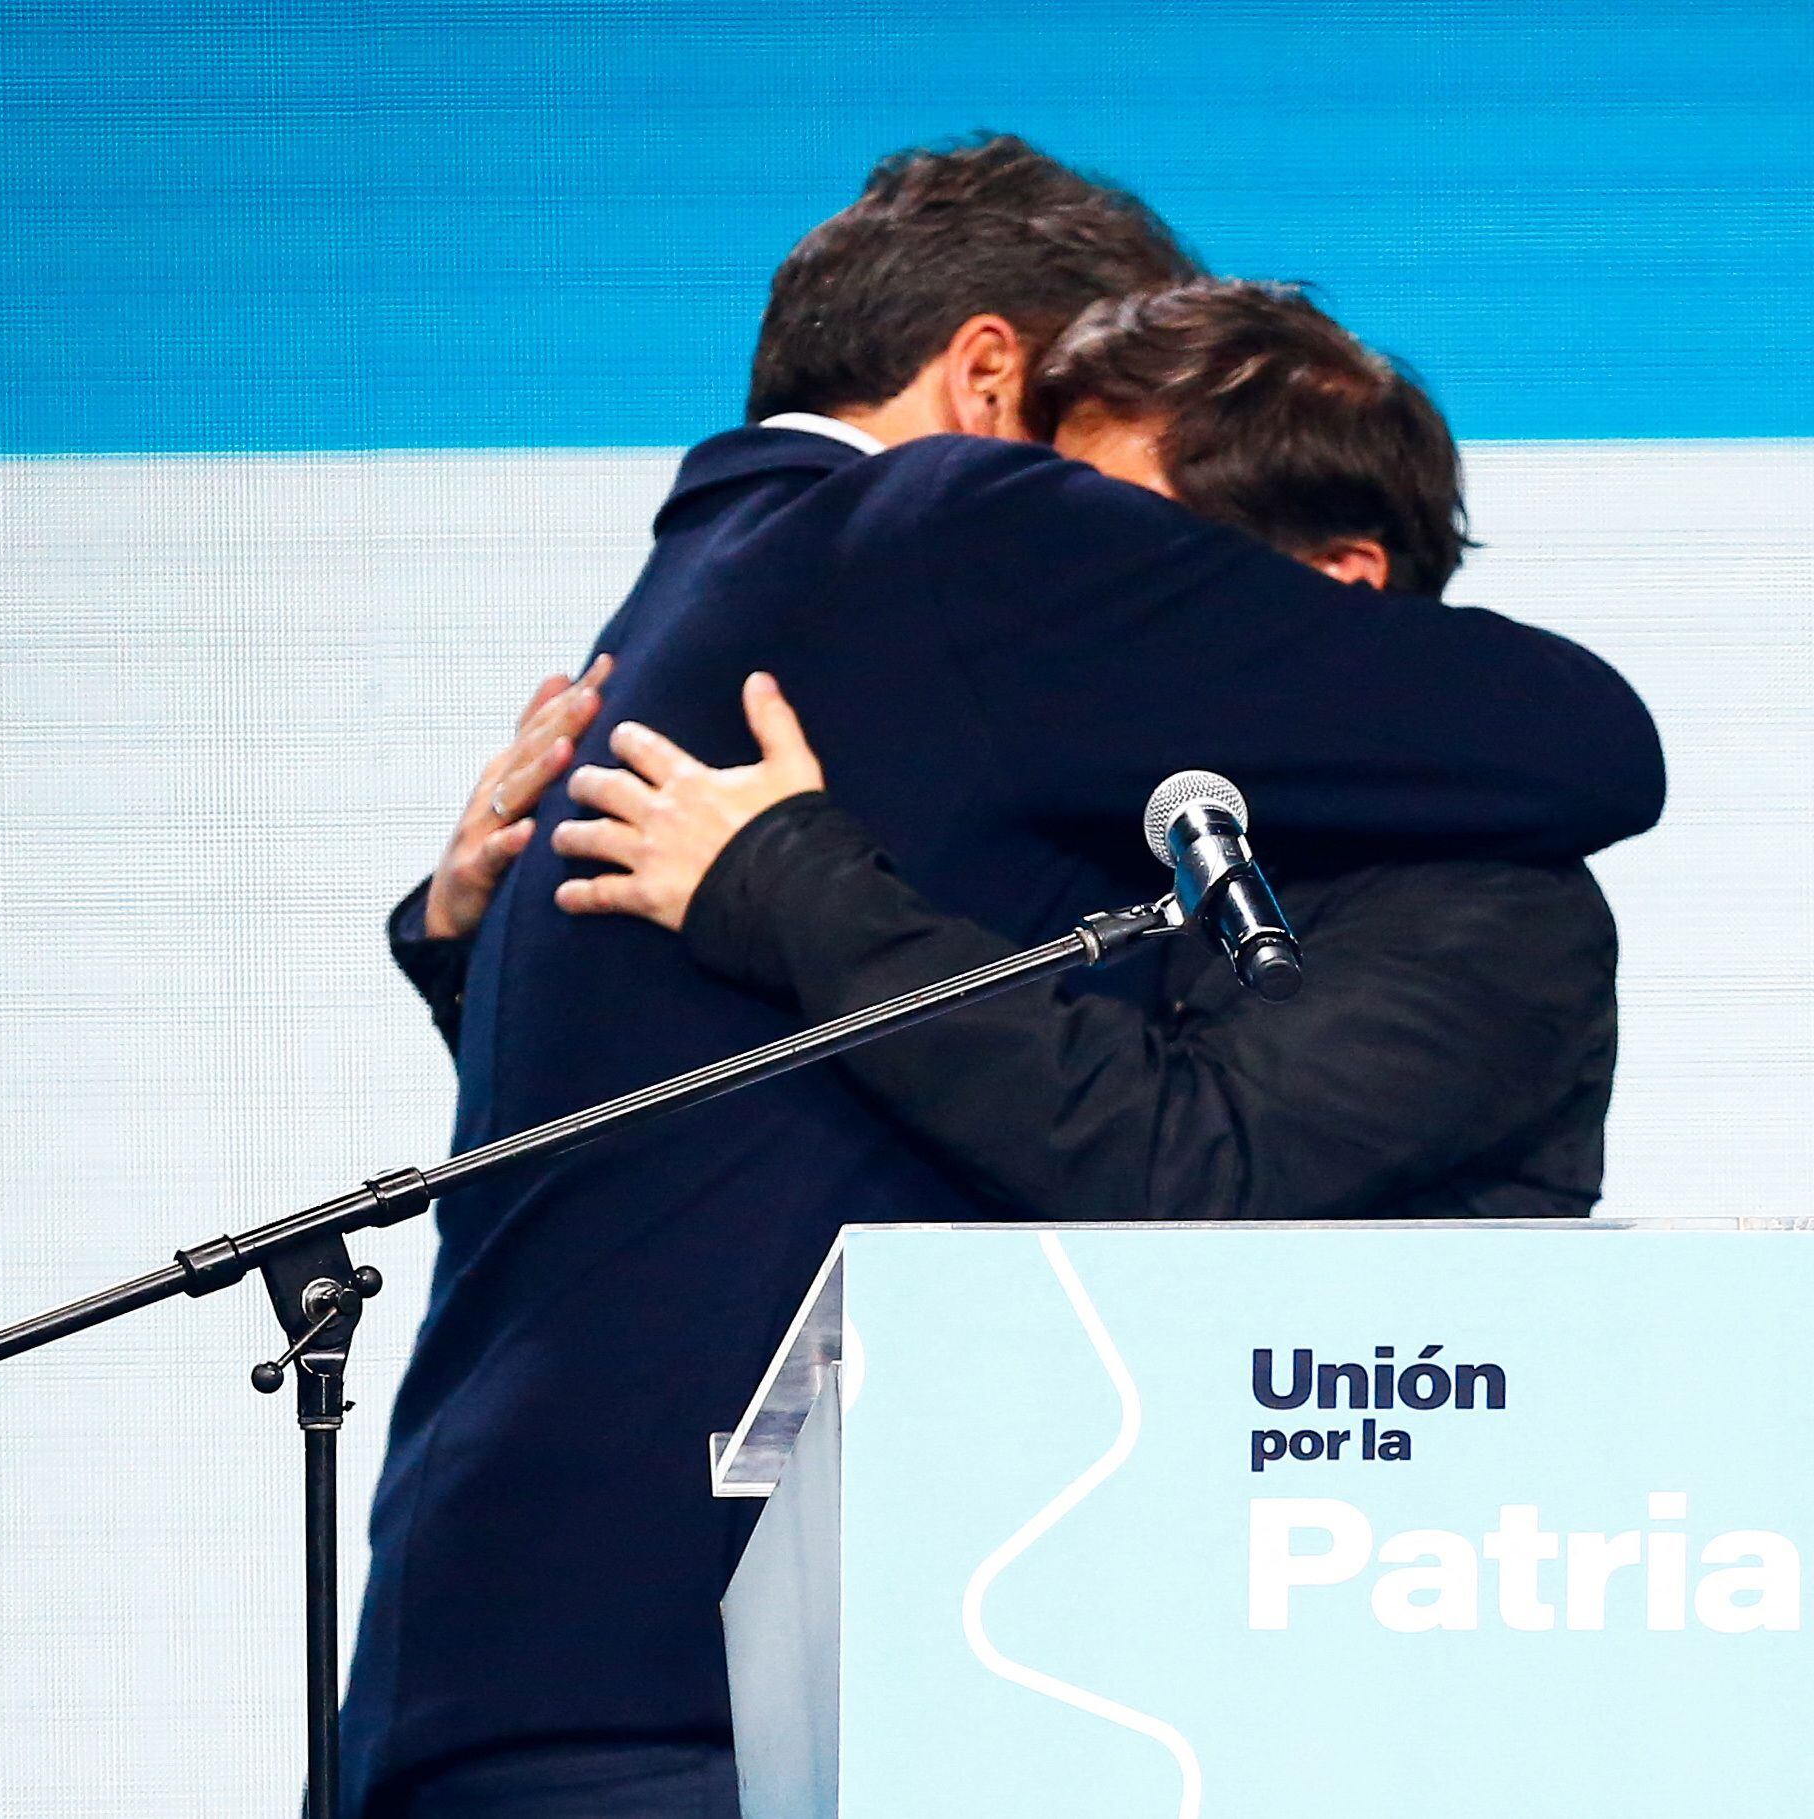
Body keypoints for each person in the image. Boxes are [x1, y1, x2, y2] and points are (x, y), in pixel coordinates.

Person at [349, 137, 1664, 1819]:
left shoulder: (711, 608)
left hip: (547, 1655)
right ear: (985, 376)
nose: (1103, 582)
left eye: (1132, 550)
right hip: (715, 1688)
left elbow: (1102, 1145)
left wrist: (509, 935)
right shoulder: (932, 550)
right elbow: (1581, 738)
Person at [536, 280, 1618, 1223]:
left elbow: (1197, 1169)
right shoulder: (1116, 825)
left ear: (1337, 590)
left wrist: (796, 888)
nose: (1049, 583)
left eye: (1112, 539)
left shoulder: (1497, 899)